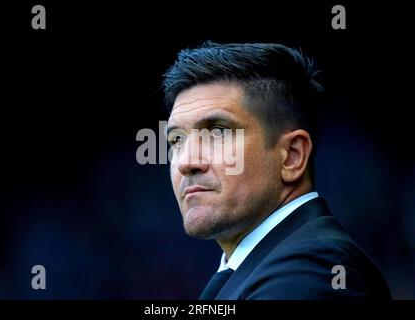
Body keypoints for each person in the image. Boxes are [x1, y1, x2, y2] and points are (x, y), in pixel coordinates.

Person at [162, 42, 391, 300]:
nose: (186, 162)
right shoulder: (267, 264)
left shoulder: (314, 269)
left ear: (292, 156)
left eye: (218, 132)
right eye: (177, 140)